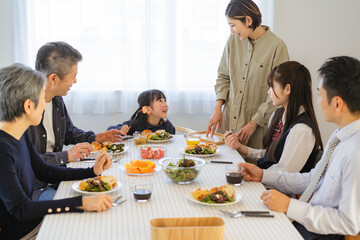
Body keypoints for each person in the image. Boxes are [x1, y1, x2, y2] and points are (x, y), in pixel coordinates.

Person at [239, 56, 360, 239]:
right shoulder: (339, 136)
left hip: (318, 234)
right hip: (305, 221)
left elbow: (349, 223)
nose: (317, 102)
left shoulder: (354, 151)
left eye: (320, 94)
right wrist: (263, 175)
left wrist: (289, 206)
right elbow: (313, 179)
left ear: (337, 103)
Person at [0, 64, 113, 240]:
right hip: (22, 232)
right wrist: (80, 203)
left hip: (33, 221)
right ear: (28, 106)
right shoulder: (3, 148)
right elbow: (20, 209)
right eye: (42, 99)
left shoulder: (19, 134)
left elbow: (46, 171)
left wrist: (91, 172)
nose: (45, 106)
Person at [26, 42, 123, 200]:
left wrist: (96, 138)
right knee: (85, 204)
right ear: (53, 78)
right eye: (73, 76)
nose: (75, 81)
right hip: (34, 188)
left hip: (57, 176)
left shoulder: (56, 99)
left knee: (106, 188)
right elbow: (28, 163)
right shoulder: (24, 109)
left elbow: (68, 132)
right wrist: (66, 156)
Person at [207, 0, 289, 150]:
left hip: (256, 130)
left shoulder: (277, 47)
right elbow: (223, 76)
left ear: (248, 20)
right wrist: (218, 108)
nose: (231, 31)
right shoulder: (232, 41)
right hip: (228, 123)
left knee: (249, 169)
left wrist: (253, 123)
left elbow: (279, 92)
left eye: (233, 25)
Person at [225, 61, 323, 173]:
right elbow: (270, 156)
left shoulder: (301, 130)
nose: (269, 92)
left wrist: (256, 173)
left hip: (278, 189)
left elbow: (284, 174)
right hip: (267, 182)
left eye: (272, 86)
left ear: (287, 89)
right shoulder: (278, 115)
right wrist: (240, 147)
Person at [107, 89, 175, 135]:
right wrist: (121, 129)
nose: (166, 105)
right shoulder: (136, 123)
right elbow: (109, 130)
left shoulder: (165, 124)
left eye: (165, 101)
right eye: (160, 101)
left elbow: (172, 136)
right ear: (147, 109)